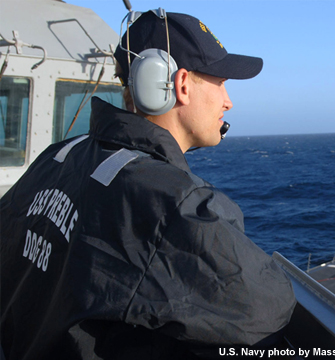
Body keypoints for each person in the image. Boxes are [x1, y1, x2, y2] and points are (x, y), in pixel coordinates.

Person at [0, 10, 296, 360]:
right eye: (220, 81)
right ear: (181, 84)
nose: (228, 101)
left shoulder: (60, 155)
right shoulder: (168, 198)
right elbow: (266, 304)